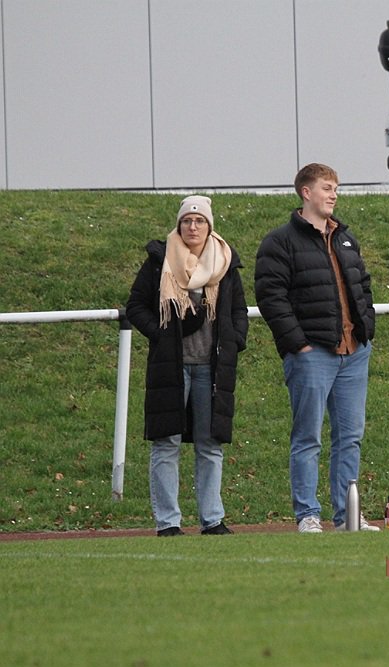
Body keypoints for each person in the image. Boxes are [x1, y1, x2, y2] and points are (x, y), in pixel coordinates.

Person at [254, 163, 379, 533]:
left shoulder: (345, 237)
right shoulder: (279, 242)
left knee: (350, 438)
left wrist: (366, 329)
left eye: (336, 188)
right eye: (327, 187)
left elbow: (363, 285)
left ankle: (347, 516)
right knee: (308, 438)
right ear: (306, 192)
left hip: (353, 353)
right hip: (312, 355)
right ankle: (308, 514)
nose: (333, 194)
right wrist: (298, 344)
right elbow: (270, 297)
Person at [126, 195, 249, 536]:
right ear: (179, 225)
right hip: (171, 367)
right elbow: (136, 306)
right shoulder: (159, 261)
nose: (193, 227)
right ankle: (168, 522)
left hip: (212, 368)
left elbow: (238, 309)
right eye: (187, 221)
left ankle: (212, 519)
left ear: (210, 226)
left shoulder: (225, 262)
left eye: (199, 221)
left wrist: (236, 340)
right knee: (166, 443)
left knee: (210, 445)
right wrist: (160, 335)